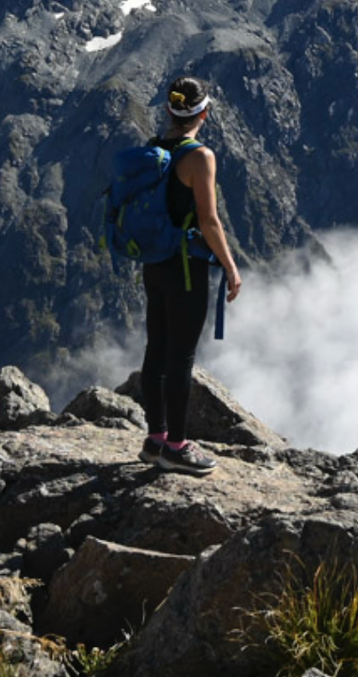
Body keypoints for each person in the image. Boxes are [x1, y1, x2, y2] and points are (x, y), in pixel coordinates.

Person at [139, 75, 243, 474]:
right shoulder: (200, 157)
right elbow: (209, 220)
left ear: (169, 109)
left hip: (155, 262)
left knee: (157, 348)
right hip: (186, 267)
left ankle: (155, 438)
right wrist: (231, 268)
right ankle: (177, 448)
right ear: (203, 112)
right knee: (181, 356)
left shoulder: (155, 149)